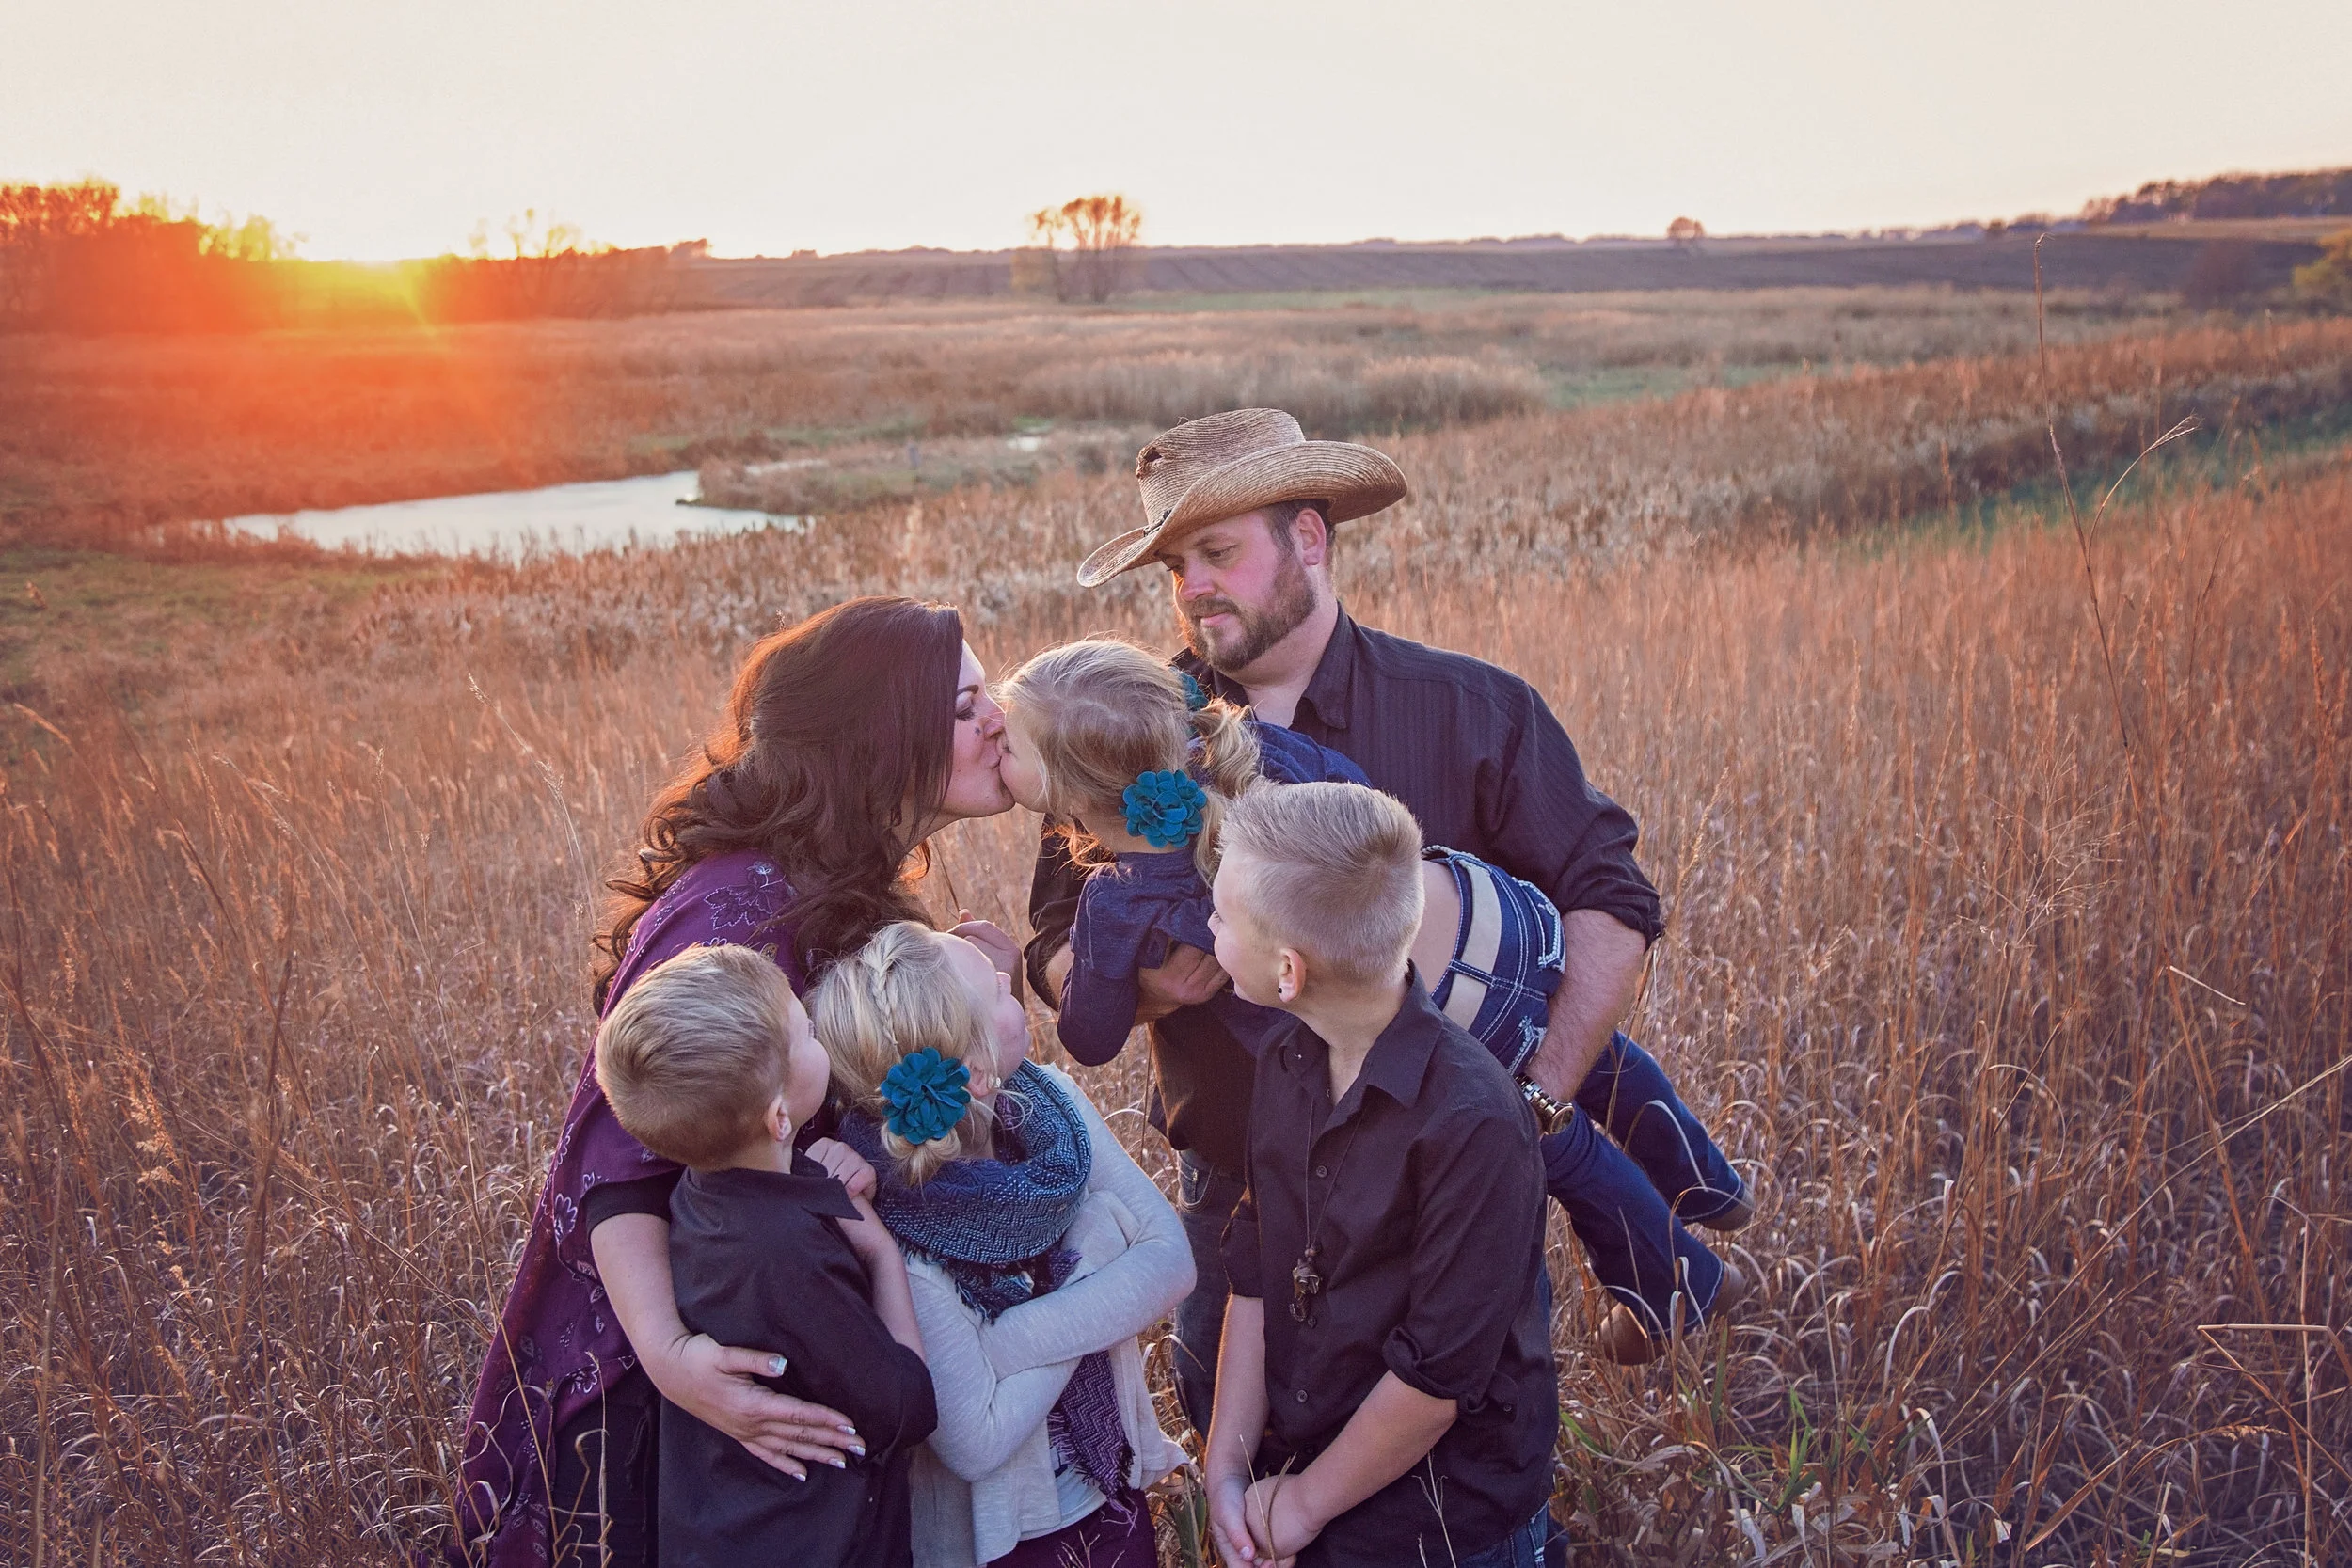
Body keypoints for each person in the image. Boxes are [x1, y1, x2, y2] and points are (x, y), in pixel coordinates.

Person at [1025, 410, 1753, 1417]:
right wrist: (1152, 980)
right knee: (1236, 1436)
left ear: (1310, 539)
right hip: (1235, 1179)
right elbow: (1056, 942)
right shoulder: (1125, 724)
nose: (1192, 587)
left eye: (1219, 552)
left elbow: (1609, 895)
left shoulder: (1470, 708)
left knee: (1464, 1453)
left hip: (1447, 1183)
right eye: (1175, 564)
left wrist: (1528, 1100)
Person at [456, 595, 1022, 1568]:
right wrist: (675, 1360)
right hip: (705, 1380)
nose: (996, 716)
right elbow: (613, 1165)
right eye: (965, 701)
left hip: (818, 1338)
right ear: (877, 736)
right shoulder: (737, 906)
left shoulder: (836, 872)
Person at [1203, 783, 1555, 1568]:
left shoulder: (1476, 1123)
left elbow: (1435, 1380)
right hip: (1308, 1470)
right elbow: (1257, 1270)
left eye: (1223, 916)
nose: (1210, 925)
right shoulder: (1286, 1056)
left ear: (1288, 970)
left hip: (1441, 1520)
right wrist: (1228, 1465)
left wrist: (1298, 1506)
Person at [813, 921, 1194, 1568]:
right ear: (979, 1072)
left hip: (1111, 1491)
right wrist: (1097, 1252)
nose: (1003, 973)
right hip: (1011, 1543)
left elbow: (1172, 1263)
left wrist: (1005, 1343)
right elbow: (977, 1441)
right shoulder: (909, 1235)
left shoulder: (1054, 1111)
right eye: (991, 989)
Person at [595, 943, 935, 1568]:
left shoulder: (700, 1197)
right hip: (820, 1543)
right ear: (781, 1116)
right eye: (805, 1030)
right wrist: (883, 1254)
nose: (815, 1027)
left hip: (726, 1533)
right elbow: (906, 1407)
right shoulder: (784, 1254)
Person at [993, 635, 1366, 1064]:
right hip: (1395, 1007)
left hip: (1303, 1077)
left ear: (1068, 794)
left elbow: (1089, 1040)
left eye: (1008, 747)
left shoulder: (1116, 902)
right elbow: (1362, 801)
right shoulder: (1258, 751)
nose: (995, 739)